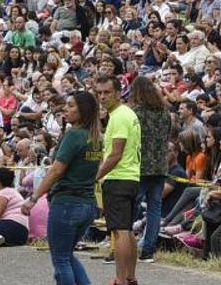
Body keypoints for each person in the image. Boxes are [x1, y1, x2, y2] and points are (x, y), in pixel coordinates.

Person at [25, 91, 101, 285]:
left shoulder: (74, 134)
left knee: (60, 260)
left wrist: (34, 197)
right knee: (66, 255)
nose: (66, 108)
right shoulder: (95, 137)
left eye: (71, 105)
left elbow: (57, 169)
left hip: (67, 203)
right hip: (87, 204)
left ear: (83, 110)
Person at [95, 74, 142, 284]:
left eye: (107, 92)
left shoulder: (120, 116)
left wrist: (96, 176)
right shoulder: (125, 114)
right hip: (131, 177)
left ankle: (121, 280)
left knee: (119, 231)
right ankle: (130, 278)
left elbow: (116, 153)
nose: (103, 97)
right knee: (127, 230)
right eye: (99, 93)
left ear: (117, 92)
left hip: (119, 178)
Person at [129, 75, 172, 262]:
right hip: (160, 165)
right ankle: (149, 250)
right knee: (155, 209)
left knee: (130, 207)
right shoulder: (165, 113)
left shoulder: (136, 112)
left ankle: (123, 247)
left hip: (140, 166)